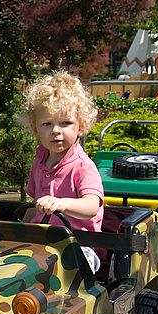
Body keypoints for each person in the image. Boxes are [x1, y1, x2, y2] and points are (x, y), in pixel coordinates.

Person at [21, 71, 104, 273]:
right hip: (44, 240)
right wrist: (18, 230)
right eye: (47, 124)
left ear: (81, 126)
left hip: (79, 245)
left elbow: (92, 206)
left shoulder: (83, 166)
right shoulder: (39, 162)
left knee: (51, 270)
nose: (56, 131)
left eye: (65, 123)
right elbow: (34, 206)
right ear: (35, 128)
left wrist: (61, 203)